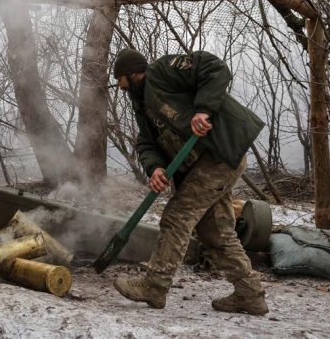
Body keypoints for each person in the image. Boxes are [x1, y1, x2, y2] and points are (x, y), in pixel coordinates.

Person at [111, 48, 268, 316]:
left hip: (219, 152)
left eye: (121, 80)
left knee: (177, 214)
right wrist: (156, 168)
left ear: (132, 72)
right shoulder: (141, 104)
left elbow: (213, 66)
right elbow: (146, 142)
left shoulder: (163, 71)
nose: (120, 86)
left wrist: (203, 110)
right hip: (200, 165)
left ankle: (154, 285)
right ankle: (249, 294)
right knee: (214, 230)